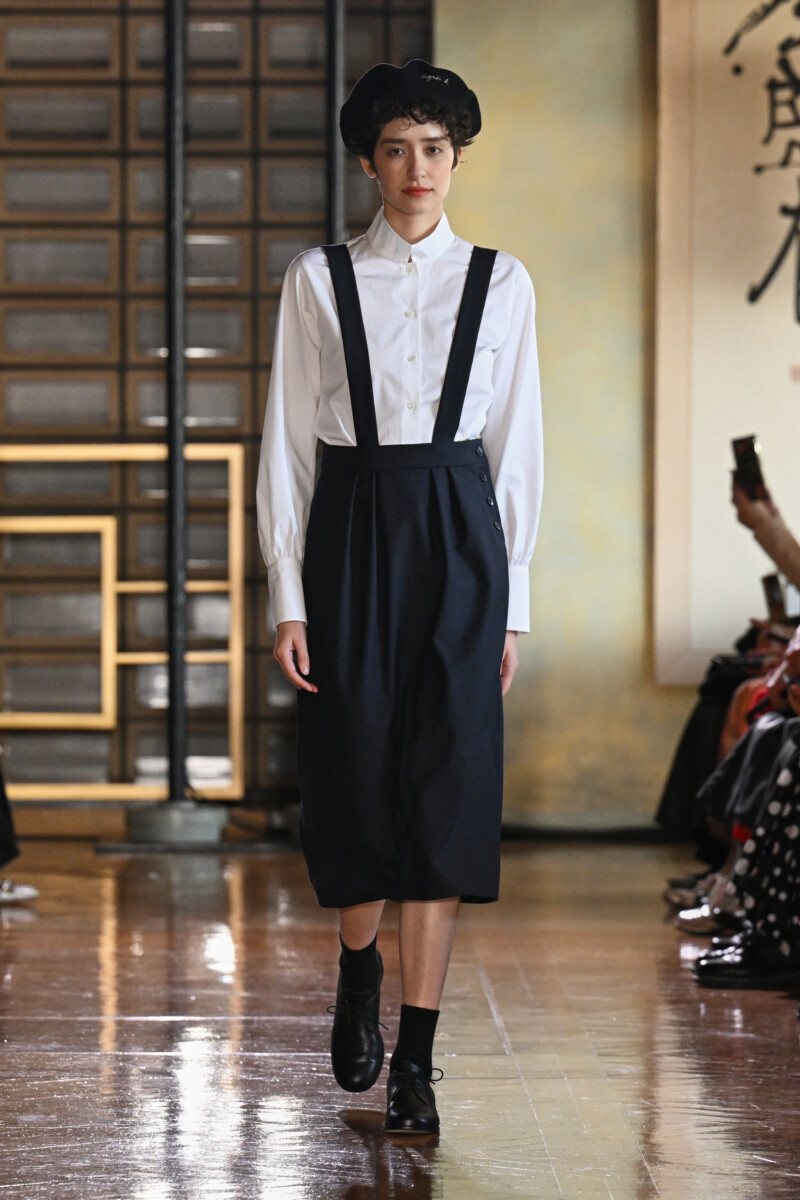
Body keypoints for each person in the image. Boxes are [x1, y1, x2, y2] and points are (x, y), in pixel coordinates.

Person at [257, 59, 543, 1134]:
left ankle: (416, 1055)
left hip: (461, 534)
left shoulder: (502, 282)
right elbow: (287, 443)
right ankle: (357, 966)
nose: (416, 167)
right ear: (368, 163)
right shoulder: (317, 279)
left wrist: (510, 602)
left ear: (456, 158)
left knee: (448, 786)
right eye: (394, 149)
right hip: (350, 527)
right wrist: (288, 594)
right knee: (351, 767)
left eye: (433, 147)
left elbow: (516, 447)